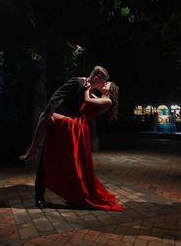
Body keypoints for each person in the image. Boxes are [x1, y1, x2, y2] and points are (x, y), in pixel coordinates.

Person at [20, 66, 110, 209]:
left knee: (69, 164)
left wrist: (104, 94)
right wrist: (50, 112)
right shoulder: (78, 82)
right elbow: (57, 95)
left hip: (73, 128)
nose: (104, 84)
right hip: (63, 122)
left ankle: (76, 195)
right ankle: (39, 193)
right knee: (46, 157)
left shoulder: (91, 92)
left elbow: (99, 107)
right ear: (97, 77)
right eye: (103, 81)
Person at [37, 81, 123, 211]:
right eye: (105, 83)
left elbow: (86, 99)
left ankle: (33, 148)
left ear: (112, 90)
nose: (104, 84)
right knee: (70, 160)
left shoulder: (107, 101)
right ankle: (70, 191)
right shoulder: (99, 98)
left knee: (45, 116)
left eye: (107, 85)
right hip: (77, 123)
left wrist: (86, 86)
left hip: (77, 125)